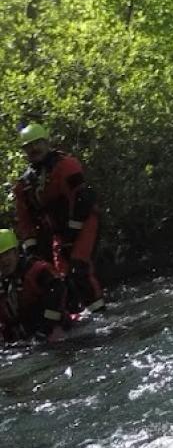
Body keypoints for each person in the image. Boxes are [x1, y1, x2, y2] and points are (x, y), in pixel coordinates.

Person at [13, 122, 105, 313]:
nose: (34, 149)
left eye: (37, 143)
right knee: (62, 278)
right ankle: (76, 316)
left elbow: (81, 200)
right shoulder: (24, 184)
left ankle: (100, 314)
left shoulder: (66, 165)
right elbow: (25, 220)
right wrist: (31, 250)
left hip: (85, 222)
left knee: (79, 267)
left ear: (47, 143)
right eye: (29, 146)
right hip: (59, 233)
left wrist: (71, 236)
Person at [0, 228, 67, 344]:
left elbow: (59, 293)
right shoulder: (3, 286)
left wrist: (46, 329)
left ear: (16, 252)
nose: (3, 260)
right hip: (26, 339)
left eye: (7, 254)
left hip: (55, 331)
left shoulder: (38, 271)